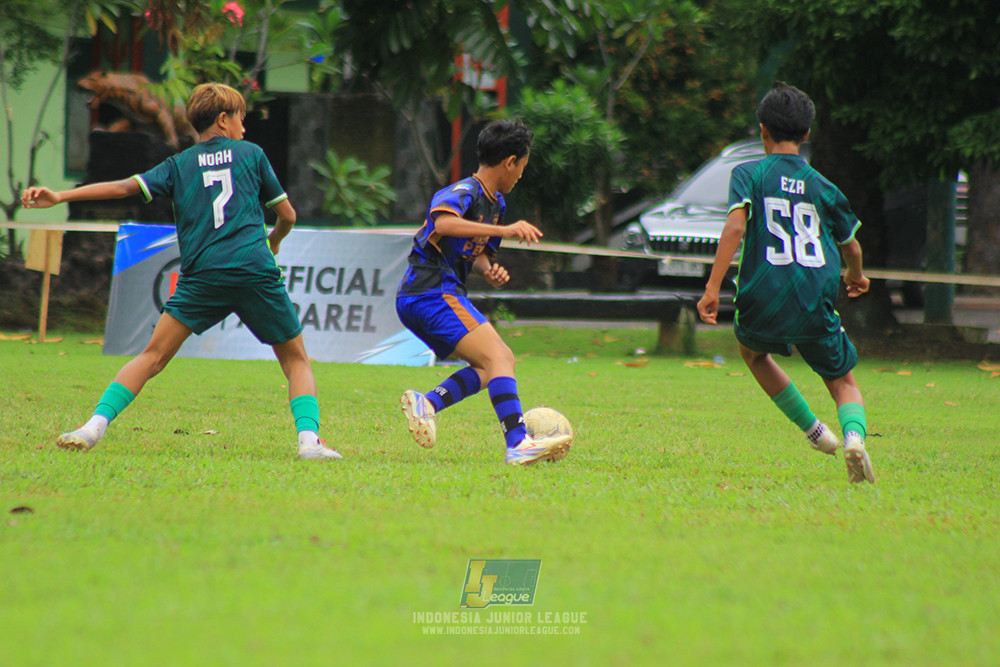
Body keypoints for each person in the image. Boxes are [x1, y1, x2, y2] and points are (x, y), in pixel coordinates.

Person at [21, 82, 340, 460]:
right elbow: (287, 215)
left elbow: (124, 187)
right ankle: (308, 443)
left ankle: (92, 427)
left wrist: (60, 196)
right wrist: (274, 242)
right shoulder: (251, 154)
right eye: (240, 118)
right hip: (253, 270)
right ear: (223, 119)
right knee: (295, 360)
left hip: (202, 275)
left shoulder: (179, 164)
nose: (244, 127)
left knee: (152, 356)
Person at [697, 82, 875, 483]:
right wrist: (857, 277)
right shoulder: (824, 187)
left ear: (763, 130)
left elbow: (734, 230)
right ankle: (853, 438)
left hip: (763, 294)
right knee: (843, 382)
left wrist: (712, 288)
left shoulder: (749, 174)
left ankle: (815, 433)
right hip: (816, 298)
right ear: (807, 134)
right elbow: (852, 247)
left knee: (754, 354)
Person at [396, 119, 571, 466]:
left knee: (490, 367)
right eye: (522, 165)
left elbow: (475, 251)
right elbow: (443, 224)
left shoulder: (496, 204)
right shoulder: (464, 192)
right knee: (501, 358)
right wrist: (506, 229)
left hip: (435, 294)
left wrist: (488, 269)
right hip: (430, 291)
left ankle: (427, 403)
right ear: (510, 162)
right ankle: (518, 442)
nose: (521, 174)